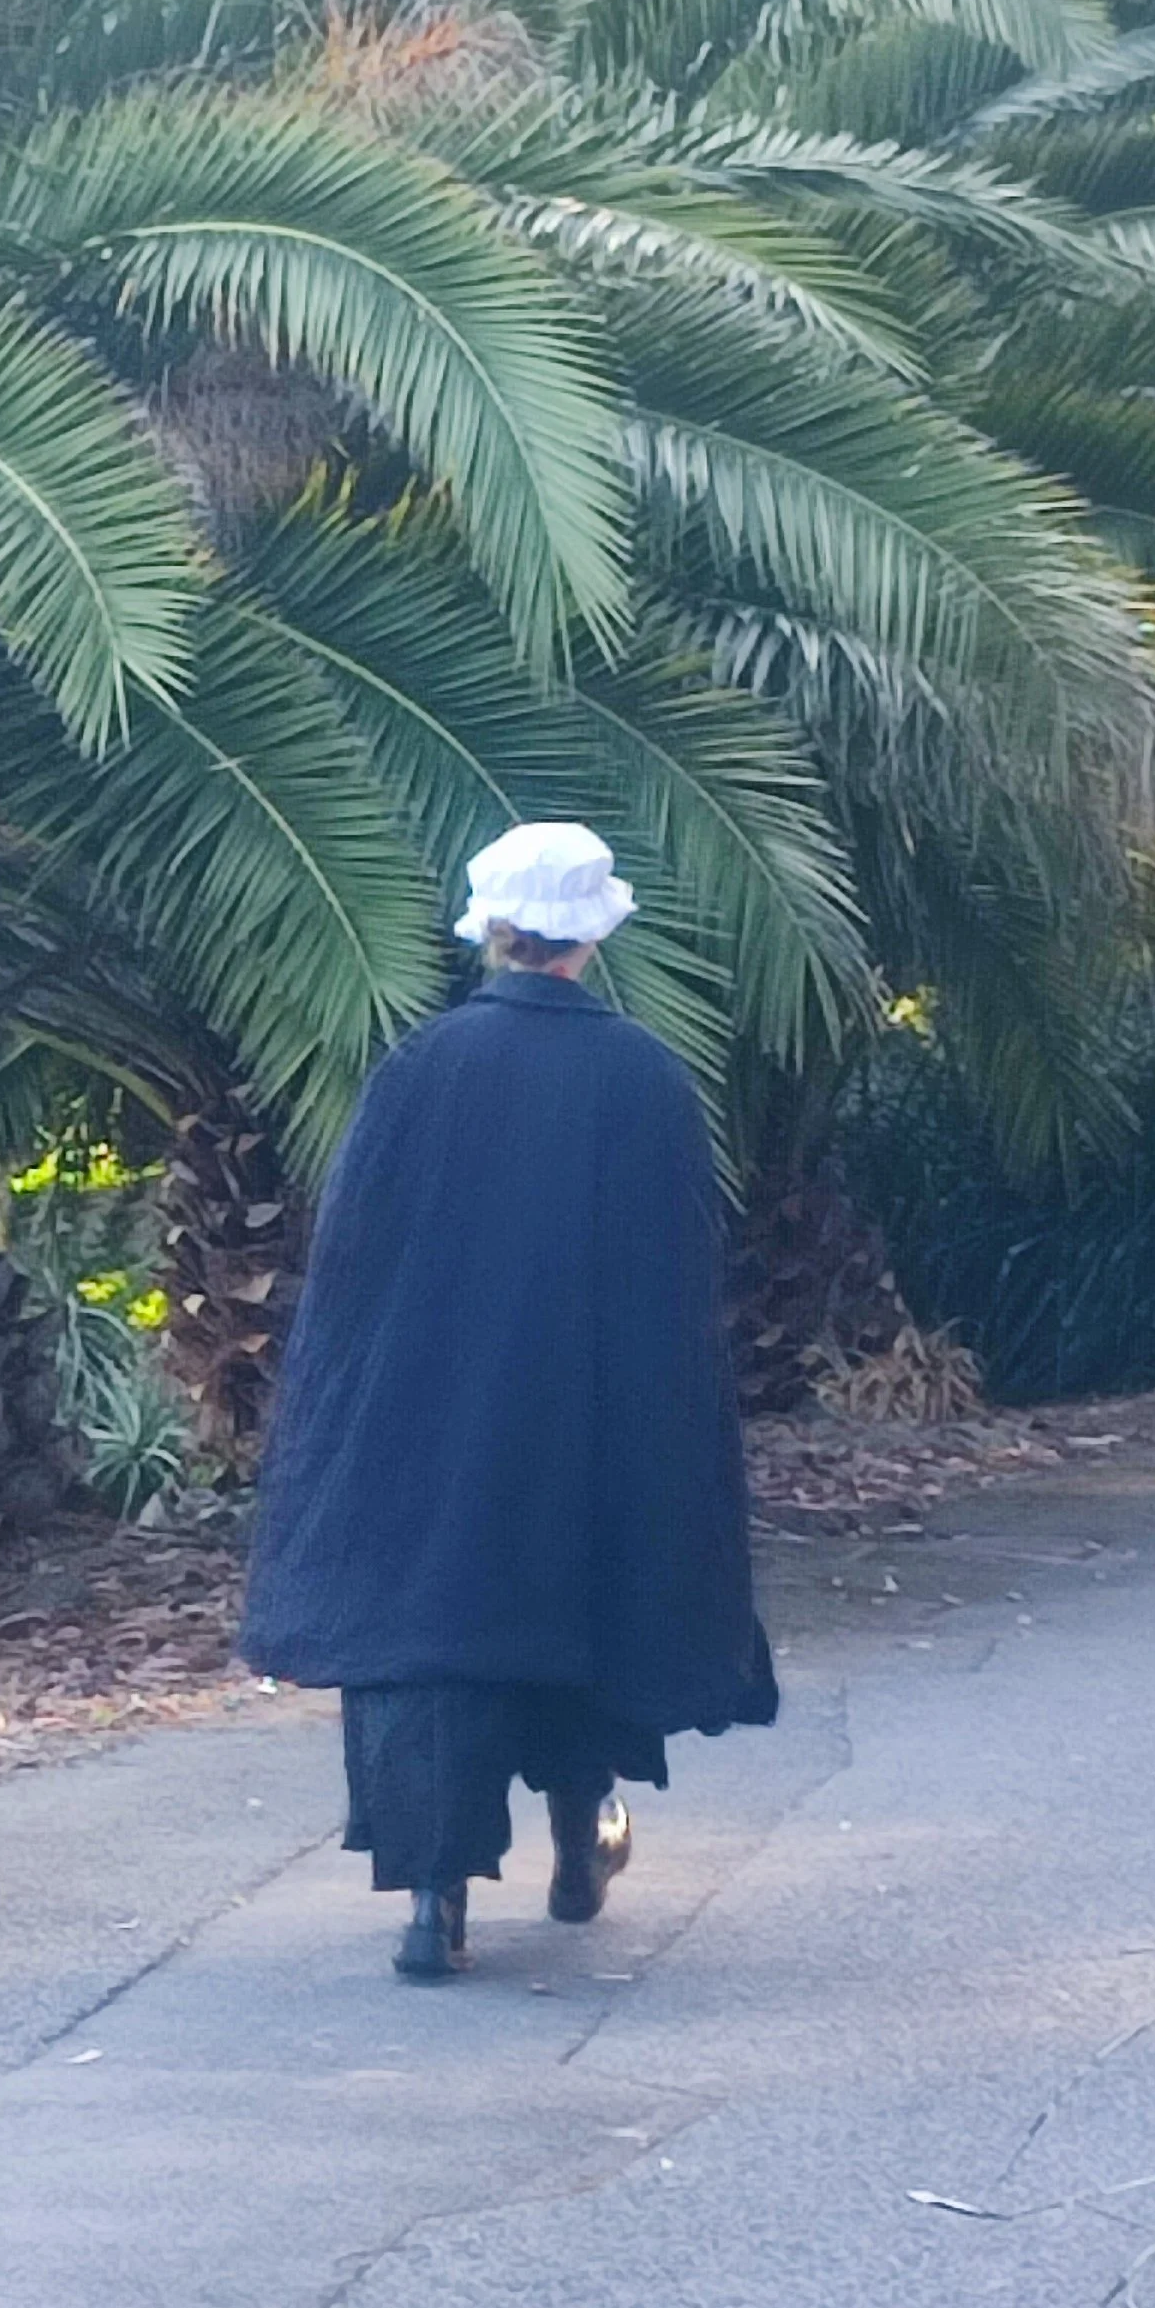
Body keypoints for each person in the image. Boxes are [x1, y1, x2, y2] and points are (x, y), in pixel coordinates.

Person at [241, 820, 778, 1979]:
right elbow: (677, 1272)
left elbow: (354, 1268)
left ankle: (433, 1901)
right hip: (589, 1414)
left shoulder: (416, 1068)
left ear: (489, 928)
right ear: (591, 935)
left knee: (432, 1631)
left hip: (430, 1416)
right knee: (584, 1606)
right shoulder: (643, 1075)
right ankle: (582, 1838)